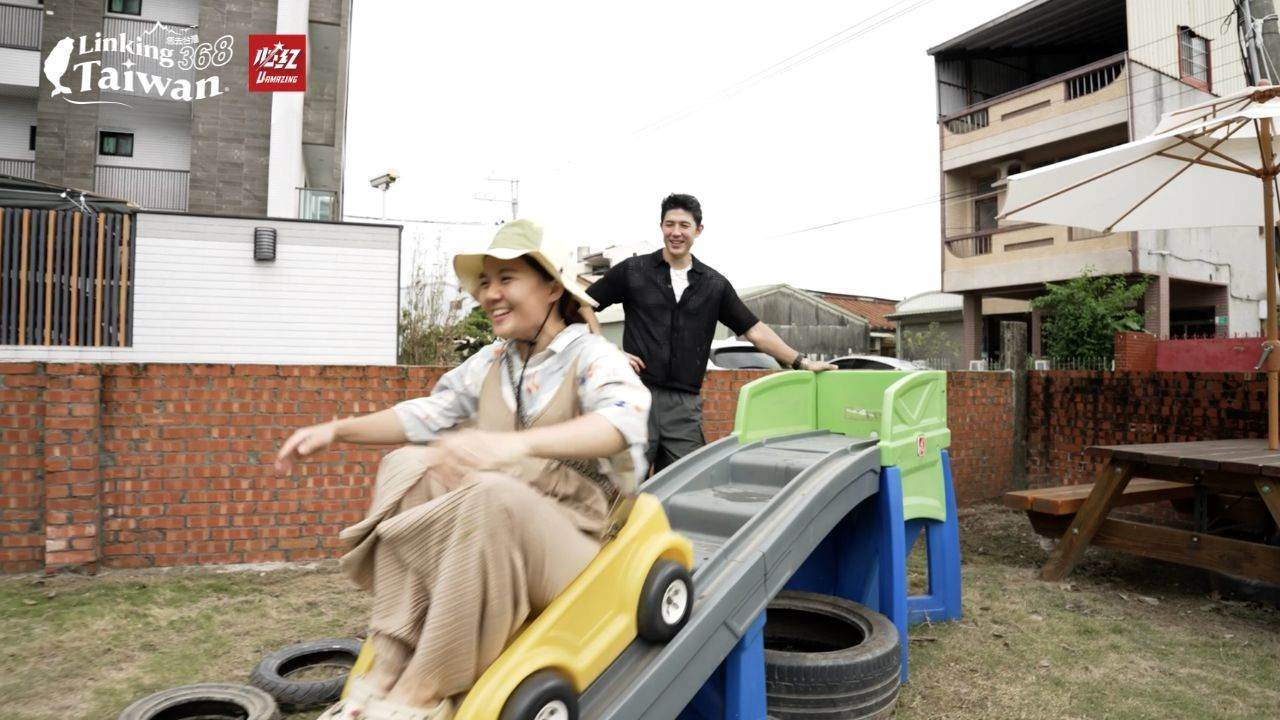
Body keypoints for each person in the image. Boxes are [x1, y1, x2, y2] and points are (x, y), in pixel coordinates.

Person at [275, 220, 650, 720]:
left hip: (579, 542)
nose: (489, 294)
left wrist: (511, 446)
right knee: (409, 464)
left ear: (553, 287)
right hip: (504, 518)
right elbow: (423, 416)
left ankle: (424, 692)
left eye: (506, 279)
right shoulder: (494, 361)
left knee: (488, 492)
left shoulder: (593, 357)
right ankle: (388, 663)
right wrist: (338, 430)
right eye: (485, 282)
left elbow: (619, 424)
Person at [586, 193, 835, 473]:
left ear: (698, 230)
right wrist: (609, 352)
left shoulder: (714, 285)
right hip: (634, 396)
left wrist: (802, 361)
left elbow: (754, 330)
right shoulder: (633, 271)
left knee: (681, 487)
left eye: (684, 225)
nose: (676, 232)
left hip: (684, 406)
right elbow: (581, 306)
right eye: (670, 225)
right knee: (623, 490)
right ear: (661, 227)